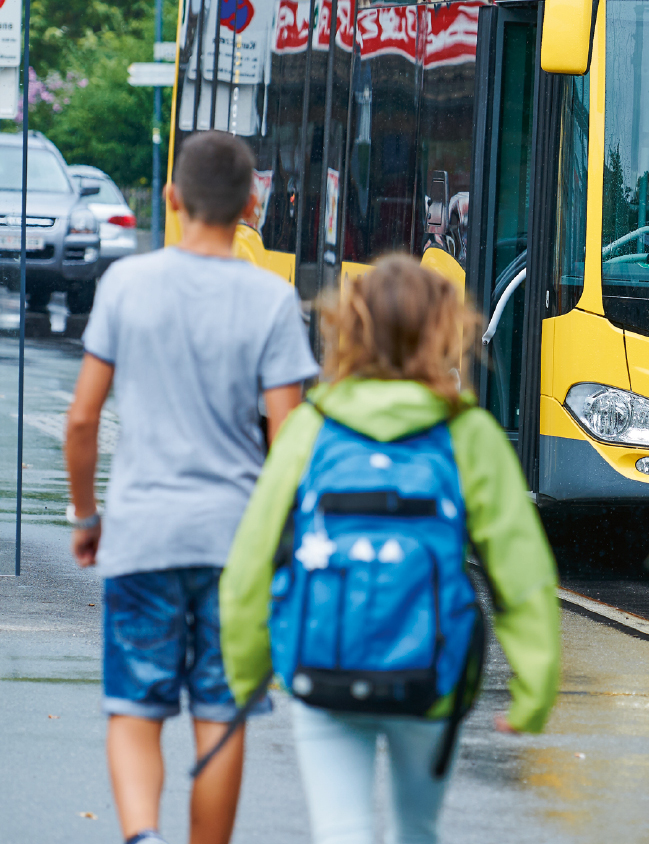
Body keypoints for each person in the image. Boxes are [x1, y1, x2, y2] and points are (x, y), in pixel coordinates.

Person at [219, 254, 561, 844]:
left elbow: (254, 559)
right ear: (444, 331)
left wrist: (242, 675)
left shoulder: (311, 426)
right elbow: (520, 569)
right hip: (430, 667)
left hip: (324, 659)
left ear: (348, 329)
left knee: (341, 831)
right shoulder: (468, 434)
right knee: (417, 830)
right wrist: (534, 687)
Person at [64, 131, 320, 844]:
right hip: (235, 546)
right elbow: (287, 439)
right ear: (250, 205)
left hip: (142, 534)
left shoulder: (126, 285)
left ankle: (143, 837)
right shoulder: (273, 301)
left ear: (173, 200)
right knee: (221, 711)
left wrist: (87, 518)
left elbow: (82, 419)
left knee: (134, 709)